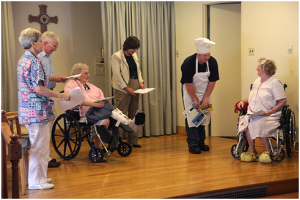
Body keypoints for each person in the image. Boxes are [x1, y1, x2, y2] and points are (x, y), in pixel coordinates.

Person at [17, 28, 70, 190]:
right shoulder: (32, 61)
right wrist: (59, 95)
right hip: (35, 111)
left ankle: (41, 176)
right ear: (33, 44)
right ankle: (34, 181)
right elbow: (39, 89)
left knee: (42, 144)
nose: (43, 43)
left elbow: (41, 80)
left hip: (37, 110)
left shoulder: (26, 59)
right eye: (41, 41)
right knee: (38, 146)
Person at [64, 63, 141, 160]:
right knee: (110, 109)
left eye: (88, 73)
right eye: (86, 73)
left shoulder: (89, 85)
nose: (89, 75)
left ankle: (96, 148)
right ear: (77, 75)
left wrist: (104, 100)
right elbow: (76, 101)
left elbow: (100, 94)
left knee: (107, 120)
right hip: (84, 113)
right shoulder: (71, 85)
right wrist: (95, 104)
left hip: (97, 110)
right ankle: (129, 122)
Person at [237, 58, 287, 163]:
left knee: (258, 124)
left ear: (265, 69)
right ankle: (252, 151)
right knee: (247, 122)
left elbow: (283, 101)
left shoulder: (275, 82)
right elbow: (253, 96)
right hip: (254, 113)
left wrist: (271, 111)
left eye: (259, 67)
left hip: (268, 114)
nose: (257, 68)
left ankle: (268, 151)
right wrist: (243, 101)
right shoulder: (256, 82)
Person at [180, 38, 219, 154]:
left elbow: (212, 81)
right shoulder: (188, 63)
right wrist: (195, 100)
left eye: (208, 55)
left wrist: (206, 97)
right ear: (198, 54)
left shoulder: (212, 62)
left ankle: (201, 142)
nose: (207, 58)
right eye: (204, 56)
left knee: (203, 117)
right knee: (193, 117)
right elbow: (188, 83)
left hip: (206, 91)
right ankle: (193, 144)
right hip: (190, 91)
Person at [37, 31, 67, 168]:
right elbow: (39, 79)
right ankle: (43, 159)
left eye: (56, 47)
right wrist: (55, 78)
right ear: (44, 43)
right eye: (53, 47)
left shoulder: (48, 57)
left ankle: (47, 157)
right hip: (41, 96)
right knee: (43, 130)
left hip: (49, 94)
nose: (55, 50)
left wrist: (57, 79)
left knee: (48, 128)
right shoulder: (38, 57)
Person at [111, 36, 146, 148]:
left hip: (135, 84)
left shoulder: (134, 55)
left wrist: (141, 82)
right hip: (122, 87)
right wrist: (126, 88)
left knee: (134, 113)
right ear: (127, 47)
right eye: (133, 48)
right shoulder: (116, 56)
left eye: (136, 49)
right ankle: (116, 141)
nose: (134, 51)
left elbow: (138, 70)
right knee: (120, 114)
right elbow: (117, 74)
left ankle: (133, 140)